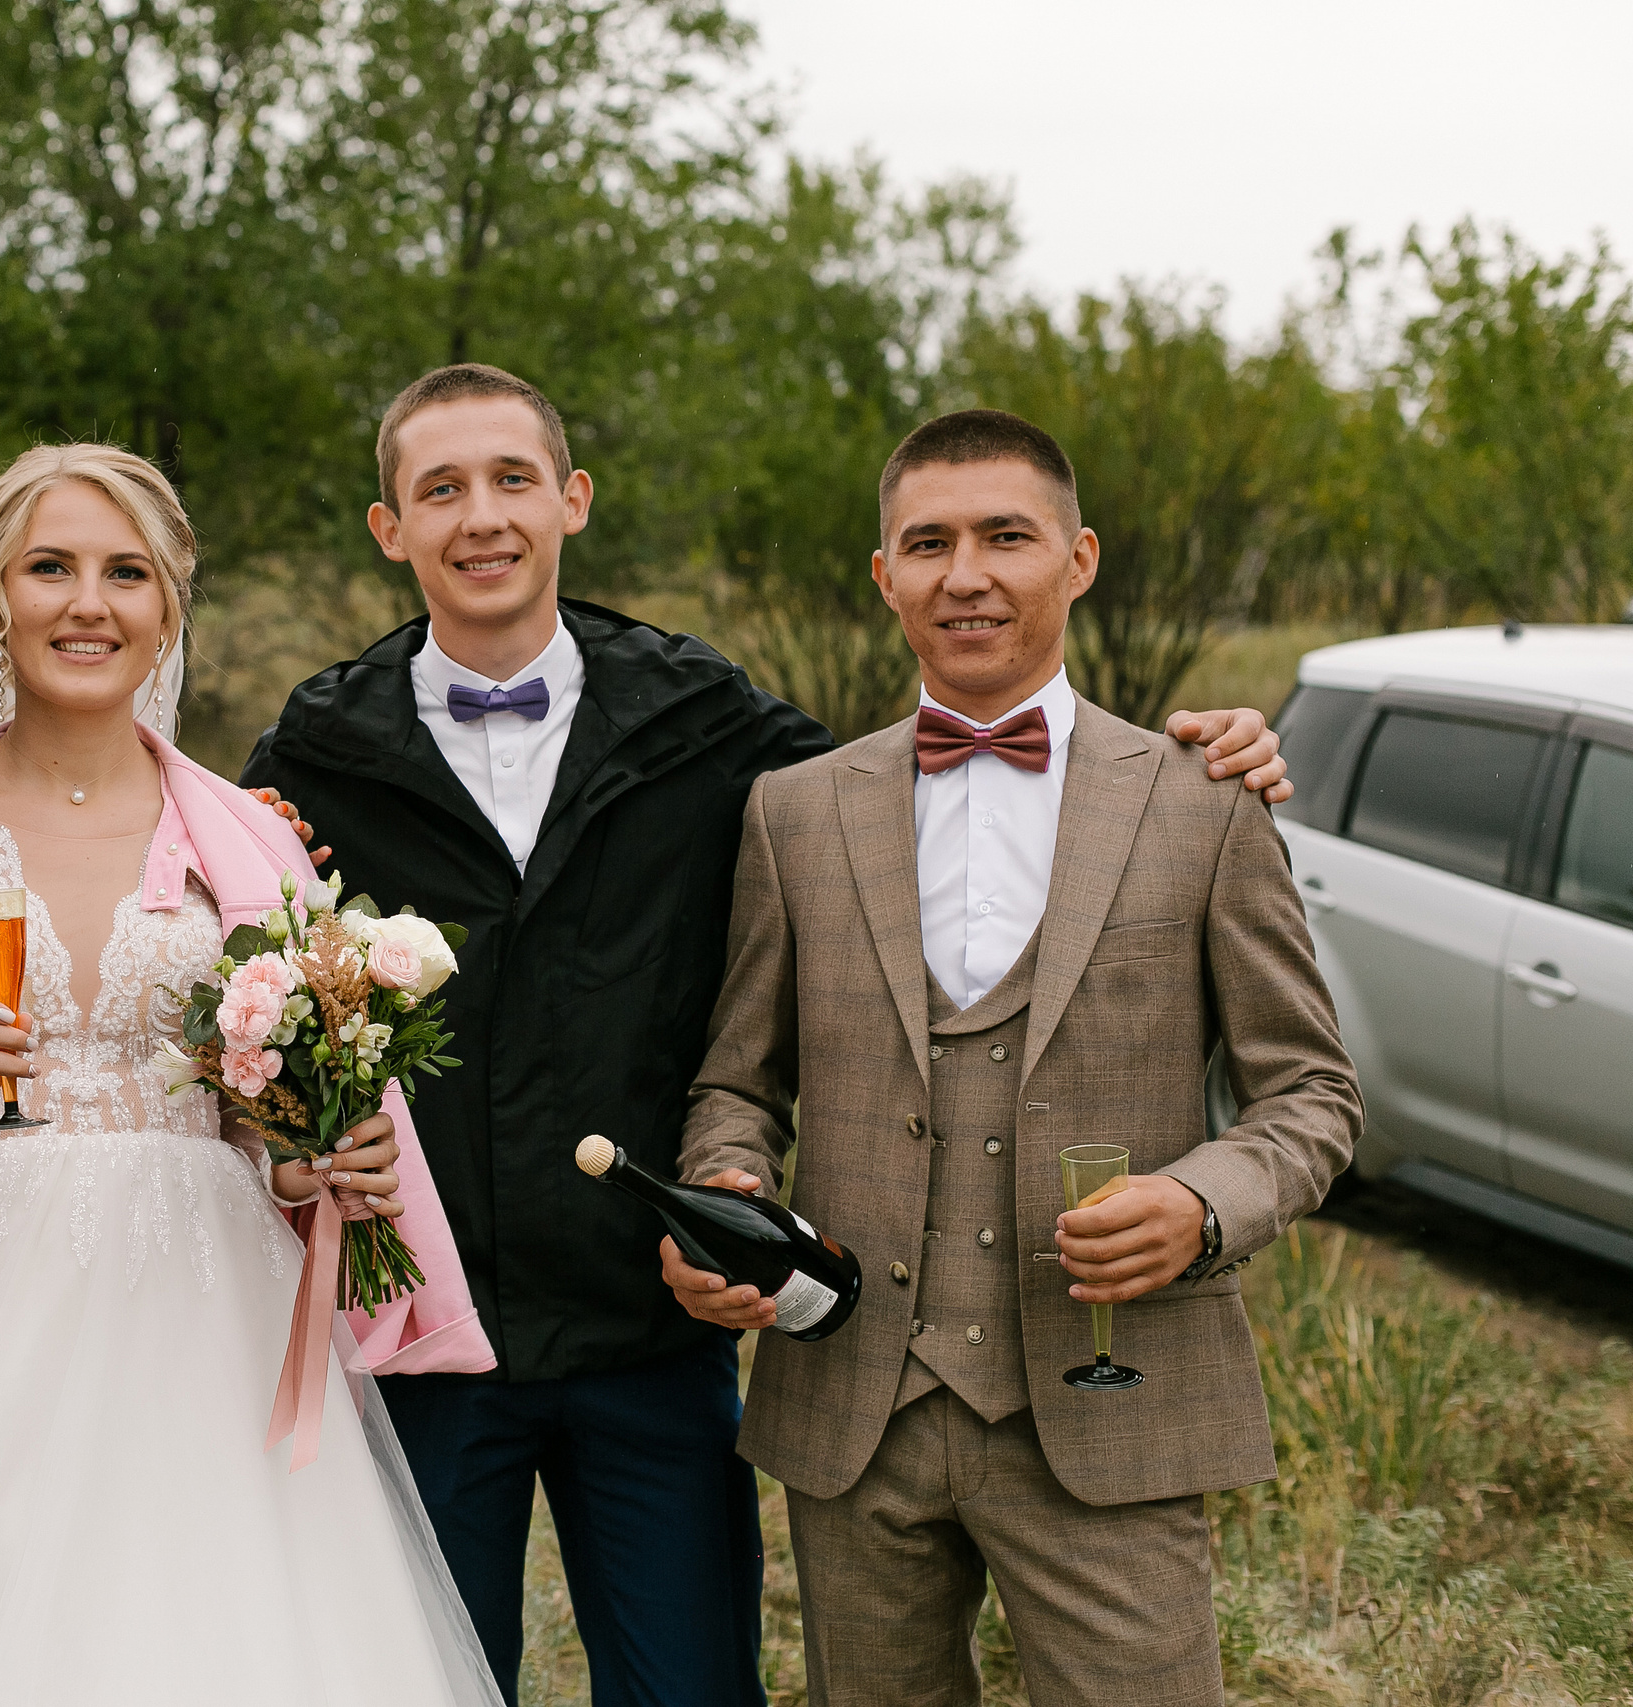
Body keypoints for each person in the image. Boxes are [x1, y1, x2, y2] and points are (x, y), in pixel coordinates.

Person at [239, 365, 1298, 1706]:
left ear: (573, 498)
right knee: (426, 1682)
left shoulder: (706, 718)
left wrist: (1213, 748)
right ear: (390, 528)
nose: (481, 516)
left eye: (512, 478)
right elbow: (246, 984)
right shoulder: (315, 748)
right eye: (439, 489)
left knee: (692, 1687)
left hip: (655, 1327)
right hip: (425, 1332)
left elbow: (925, 762)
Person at [0, 444, 504, 1706]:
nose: (89, 602)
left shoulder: (244, 839)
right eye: (51, 568)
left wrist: (312, 1164)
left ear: (168, 609)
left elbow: (274, 1130)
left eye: (125, 572)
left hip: (206, 1317)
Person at [669, 408, 1361, 1705]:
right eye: (927, 541)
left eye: (1006, 535)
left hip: (1118, 1398)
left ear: (1079, 557)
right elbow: (736, 1083)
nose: (966, 572)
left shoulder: (1203, 797)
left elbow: (1313, 1092)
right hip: (855, 1406)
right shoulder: (794, 811)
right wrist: (728, 1195)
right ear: (884, 574)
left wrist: (1205, 1203)